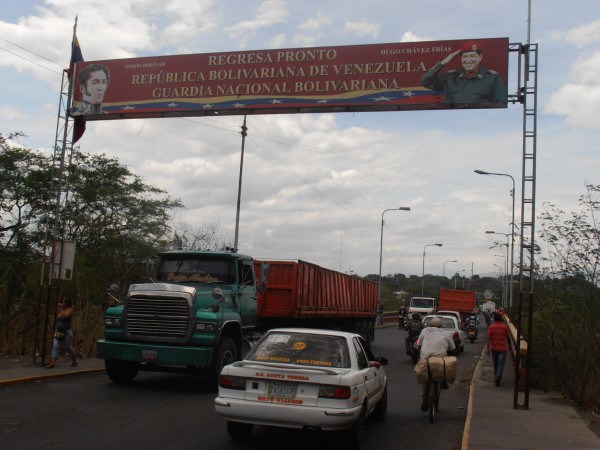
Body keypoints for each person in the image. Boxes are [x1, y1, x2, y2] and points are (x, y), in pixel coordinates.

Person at [420, 41, 507, 104]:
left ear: (480, 57)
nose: (468, 60)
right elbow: (426, 81)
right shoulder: (451, 78)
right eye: (465, 57)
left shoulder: (492, 78)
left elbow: (500, 103)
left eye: (472, 56)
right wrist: (442, 63)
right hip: (452, 122)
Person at [417, 317, 457, 411]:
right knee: (443, 367)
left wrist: (421, 355)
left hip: (426, 357)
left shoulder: (424, 331)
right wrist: (453, 354)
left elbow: (419, 345)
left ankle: (425, 399)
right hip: (439, 358)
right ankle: (443, 383)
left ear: (430, 324)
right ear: (441, 326)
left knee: (427, 379)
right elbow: (453, 349)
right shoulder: (445, 333)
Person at [46, 296, 79, 369]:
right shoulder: (60, 311)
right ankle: (52, 363)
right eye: (62, 302)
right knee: (55, 346)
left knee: (68, 347)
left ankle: (74, 360)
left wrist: (60, 308)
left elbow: (64, 316)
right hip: (59, 331)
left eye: (64, 302)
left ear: (67, 304)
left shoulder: (69, 310)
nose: (63, 304)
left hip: (67, 332)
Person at [486, 312, 511, 386]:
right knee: (501, 364)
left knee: (495, 364)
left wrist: (488, 348)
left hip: (494, 348)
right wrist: (509, 345)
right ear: (501, 318)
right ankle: (498, 376)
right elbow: (508, 337)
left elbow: (488, 338)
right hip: (502, 349)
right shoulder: (505, 327)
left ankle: (497, 378)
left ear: (494, 319)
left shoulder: (491, 327)